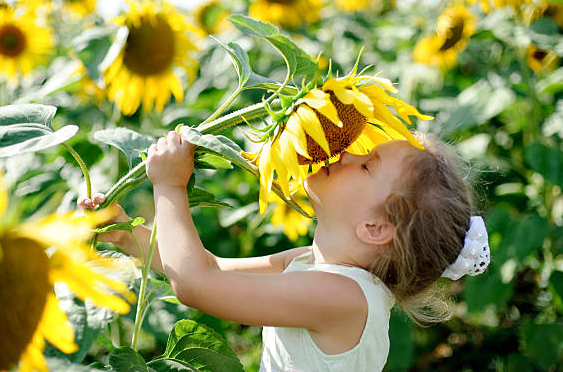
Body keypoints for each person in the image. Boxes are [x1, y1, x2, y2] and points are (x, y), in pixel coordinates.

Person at [79, 130, 490, 372]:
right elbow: (212, 266)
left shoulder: (343, 298)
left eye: (366, 165)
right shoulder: (309, 265)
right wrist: (124, 235)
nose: (347, 152)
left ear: (376, 228)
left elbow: (195, 284)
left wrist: (169, 187)